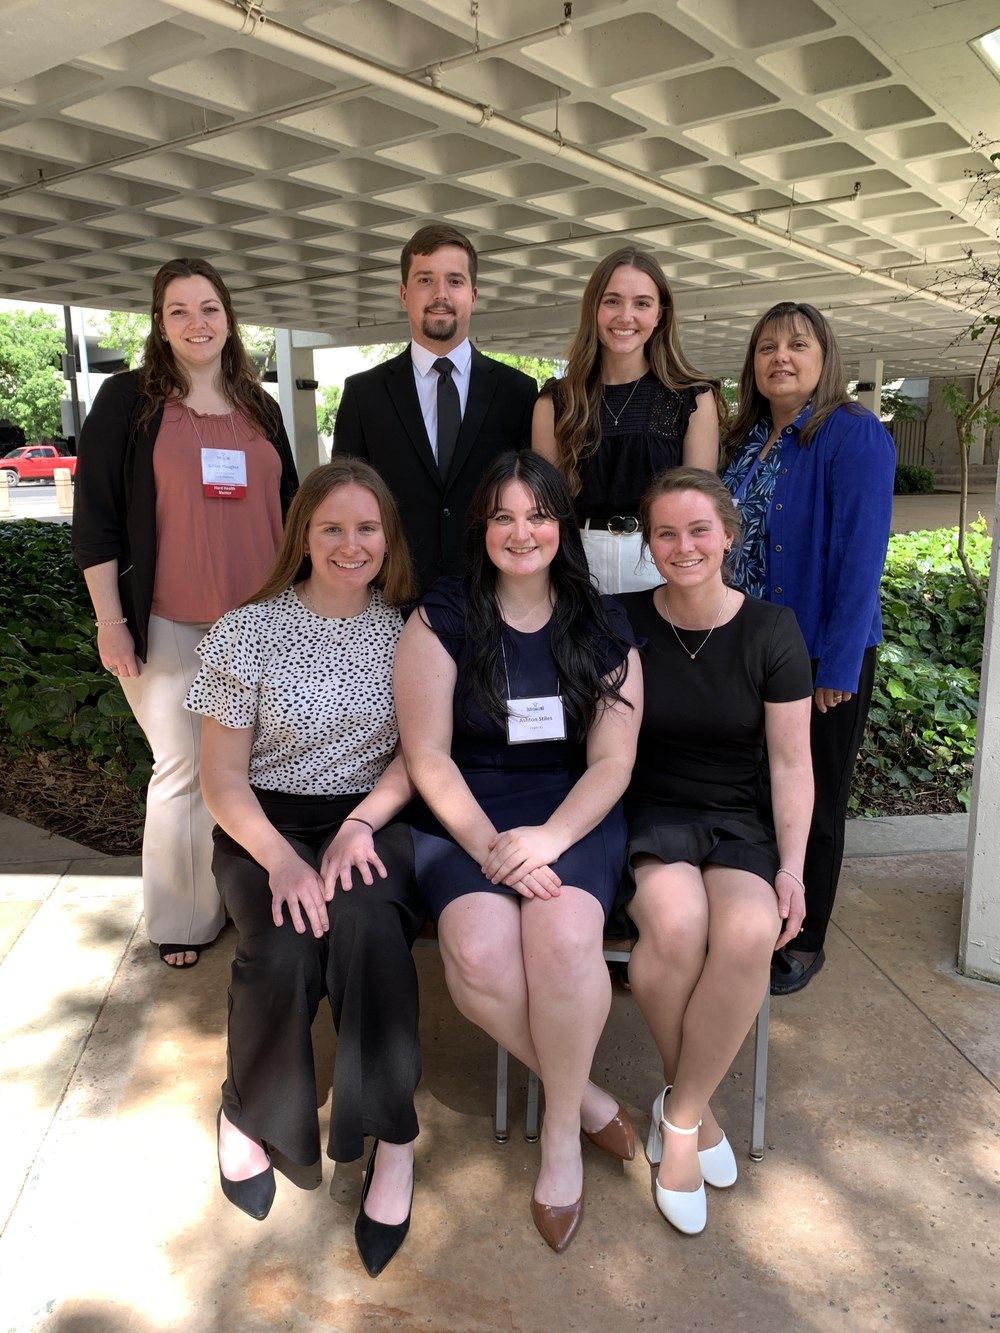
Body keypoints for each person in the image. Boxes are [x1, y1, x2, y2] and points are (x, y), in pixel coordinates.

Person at [394, 451, 643, 1254]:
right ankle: (589, 1100)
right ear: (482, 529)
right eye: (502, 516)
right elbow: (427, 756)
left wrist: (549, 840)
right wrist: (491, 847)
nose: (521, 530)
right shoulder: (441, 618)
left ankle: (560, 1139)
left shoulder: (602, 622)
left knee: (566, 939)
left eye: (536, 514)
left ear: (560, 525)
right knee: (477, 956)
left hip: (571, 809)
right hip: (468, 811)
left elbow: (612, 760)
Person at [184, 459, 424, 1278]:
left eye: (366, 528)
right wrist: (284, 861)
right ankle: (249, 1110)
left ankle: (391, 1135)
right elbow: (220, 781)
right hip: (264, 823)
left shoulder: (408, 631)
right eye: (332, 528)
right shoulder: (245, 630)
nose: (350, 544)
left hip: (368, 818)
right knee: (282, 942)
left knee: (365, 931)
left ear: (387, 536)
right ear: (303, 535)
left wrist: (357, 827)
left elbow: (415, 759)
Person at [72, 258, 298, 968]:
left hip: (259, 622)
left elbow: (291, 509)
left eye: (208, 308)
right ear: (159, 325)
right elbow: (97, 519)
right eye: (179, 311)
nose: (196, 323)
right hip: (168, 620)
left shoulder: (260, 407)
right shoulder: (125, 403)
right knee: (182, 767)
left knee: (254, 769)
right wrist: (111, 619)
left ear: (228, 318)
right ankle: (182, 918)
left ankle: (242, 899)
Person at [616, 467, 814, 1235]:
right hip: (651, 810)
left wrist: (791, 867)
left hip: (737, 817)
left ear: (730, 535)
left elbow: (793, 763)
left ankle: (682, 1112)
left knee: (748, 930)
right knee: (674, 928)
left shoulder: (772, 629)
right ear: (648, 544)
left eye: (699, 529)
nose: (683, 545)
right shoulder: (619, 619)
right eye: (665, 532)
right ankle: (690, 1120)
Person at [721, 302, 895, 995]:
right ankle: (758, 914)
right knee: (762, 792)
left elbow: (861, 560)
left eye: (797, 344)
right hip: (748, 648)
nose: (781, 357)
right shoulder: (750, 437)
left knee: (814, 799)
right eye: (767, 346)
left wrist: (839, 664)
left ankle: (805, 936)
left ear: (826, 358)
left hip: (818, 654)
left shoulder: (851, 435)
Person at [334, 222, 538, 592]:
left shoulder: (518, 393)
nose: (440, 294)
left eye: (455, 281)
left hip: (492, 597)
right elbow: (344, 504)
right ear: (403, 293)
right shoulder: (364, 394)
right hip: (392, 596)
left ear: (473, 295)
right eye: (425, 280)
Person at [532, 246, 723, 595]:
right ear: (593, 308)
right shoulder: (556, 401)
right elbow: (547, 510)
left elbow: (697, 509)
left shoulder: (691, 399)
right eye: (612, 301)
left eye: (642, 303)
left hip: (660, 561)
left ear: (660, 314)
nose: (626, 316)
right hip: (577, 563)